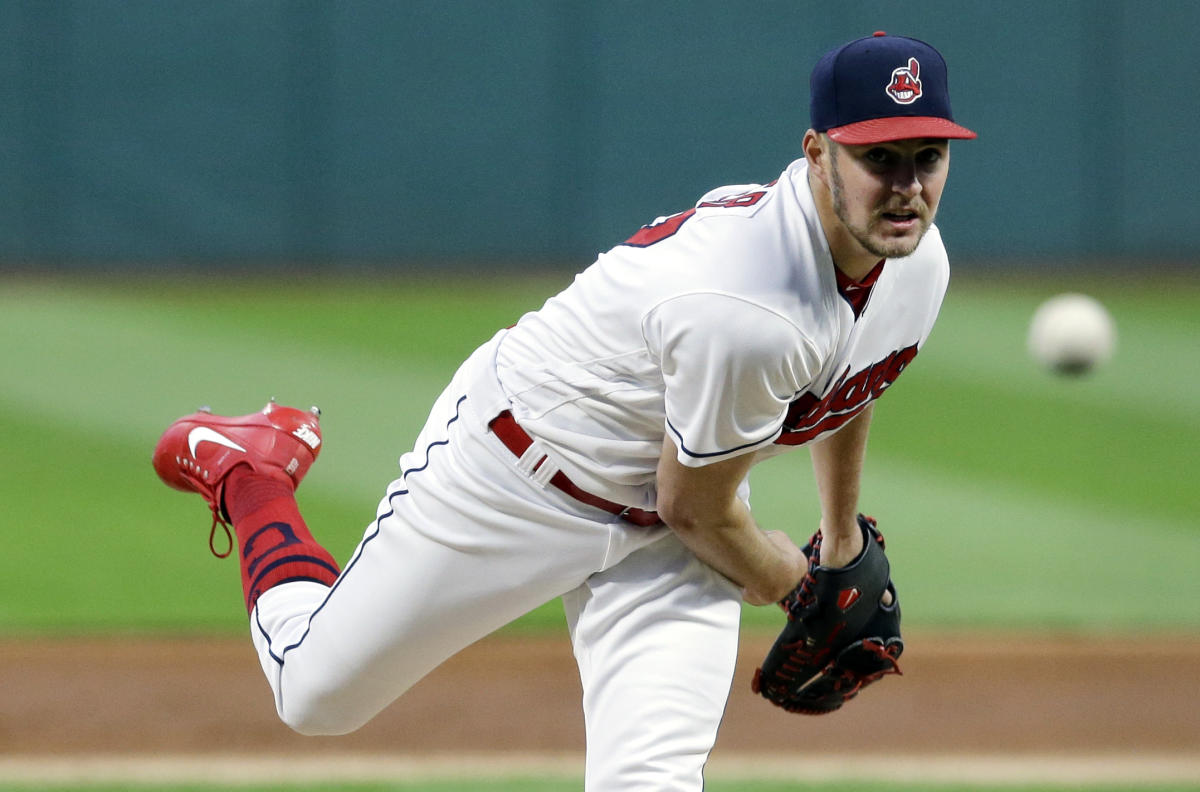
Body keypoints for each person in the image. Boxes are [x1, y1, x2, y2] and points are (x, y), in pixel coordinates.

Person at [154, 31, 974, 791]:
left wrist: (839, 543)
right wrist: (799, 588)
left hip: (668, 522)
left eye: (926, 158)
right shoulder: (747, 306)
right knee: (314, 695)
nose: (907, 187)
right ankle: (253, 472)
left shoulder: (915, 260)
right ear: (818, 152)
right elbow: (700, 510)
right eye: (880, 158)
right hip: (518, 475)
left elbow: (856, 381)